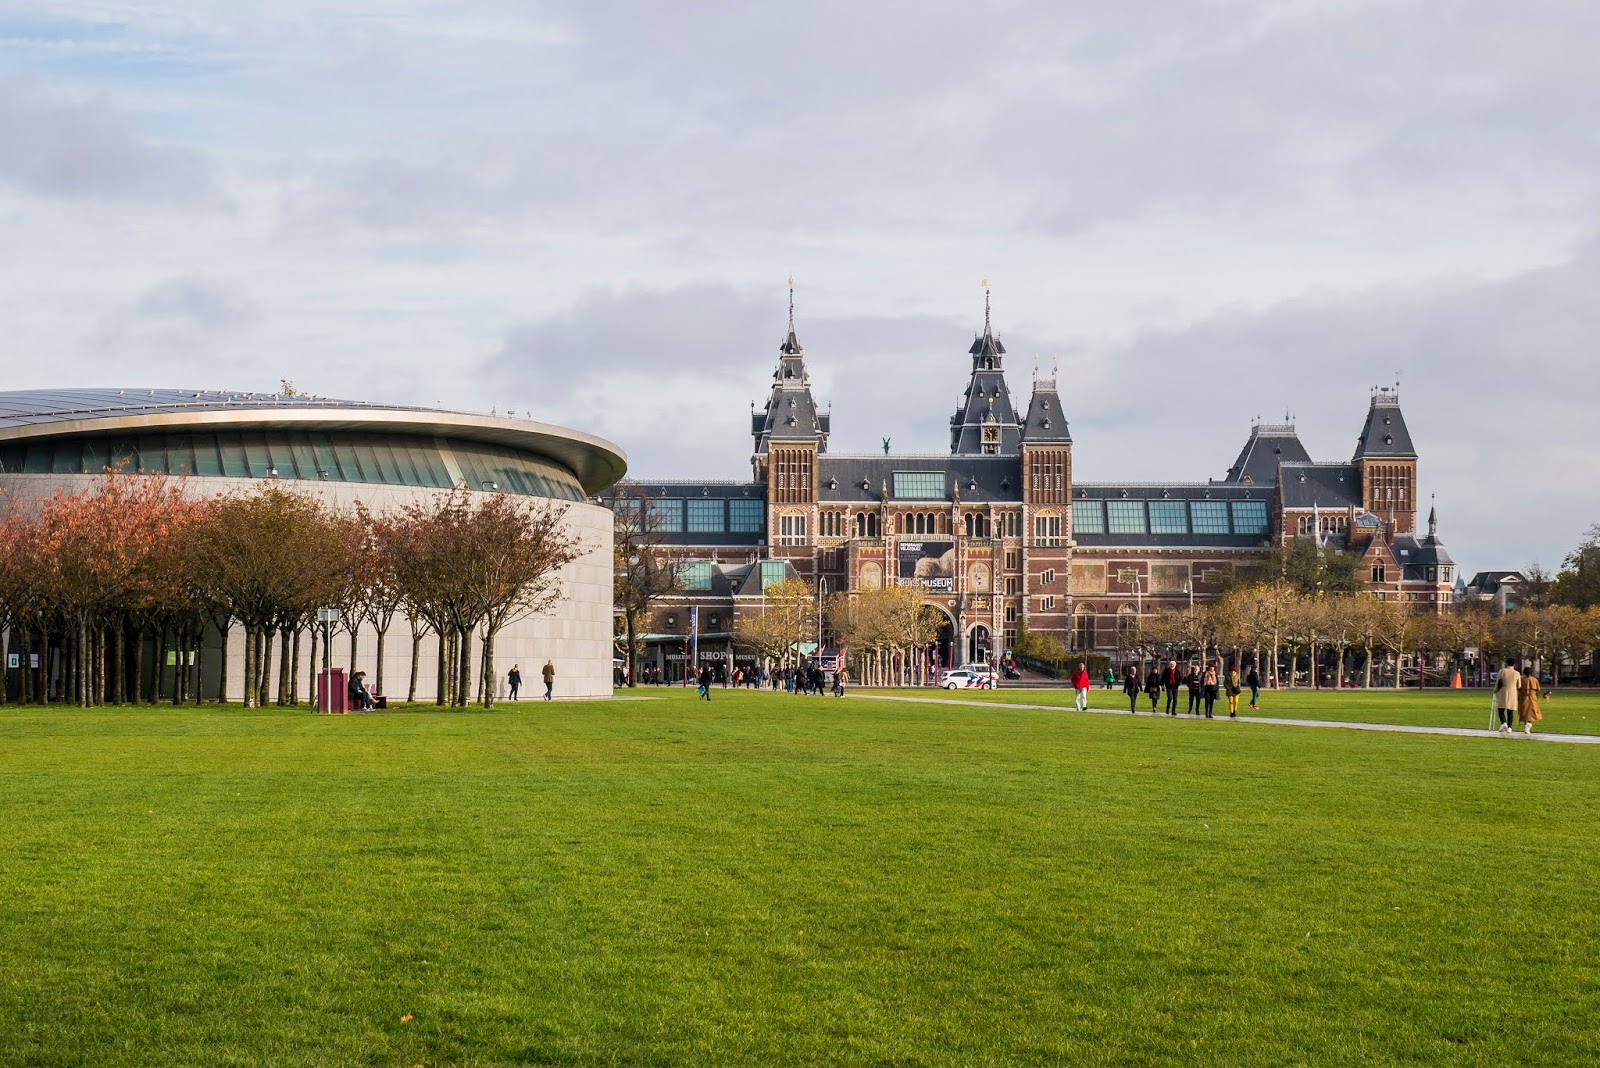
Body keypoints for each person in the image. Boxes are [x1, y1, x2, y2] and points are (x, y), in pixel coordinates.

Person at [1493, 660, 1521, 734]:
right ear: (1514, 664)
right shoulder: (1517, 673)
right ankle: (1509, 727)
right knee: (1510, 711)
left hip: (1503, 691)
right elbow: (1519, 685)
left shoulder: (1502, 671)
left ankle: (1503, 722)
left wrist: (1495, 690)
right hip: (1513, 692)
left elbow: (1498, 682)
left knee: (1500, 709)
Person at [1517, 666, 1543, 735]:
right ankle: (1528, 724)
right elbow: (1538, 689)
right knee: (1531, 712)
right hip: (1532, 698)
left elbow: (1518, 689)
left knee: (1525, 712)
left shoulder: (1522, 680)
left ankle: (1526, 724)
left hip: (1524, 698)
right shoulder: (1534, 680)